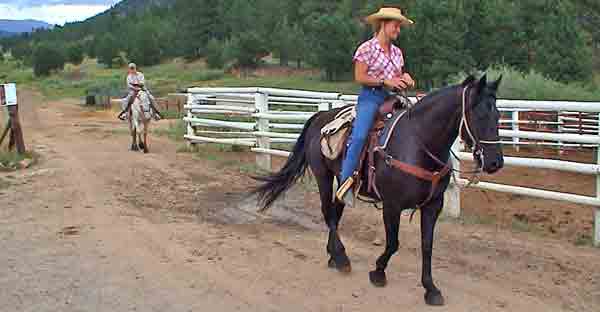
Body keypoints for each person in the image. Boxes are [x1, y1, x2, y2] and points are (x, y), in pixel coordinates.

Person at [335, 7, 416, 206]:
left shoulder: (397, 52)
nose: (398, 29)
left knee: (414, 127)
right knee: (360, 135)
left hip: (393, 98)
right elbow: (360, 77)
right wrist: (384, 82)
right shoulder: (366, 49)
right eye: (395, 25)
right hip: (371, 98)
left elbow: (397, 77)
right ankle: (345, 183)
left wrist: (405, 79)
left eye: (399, 26)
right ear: (383, 24)